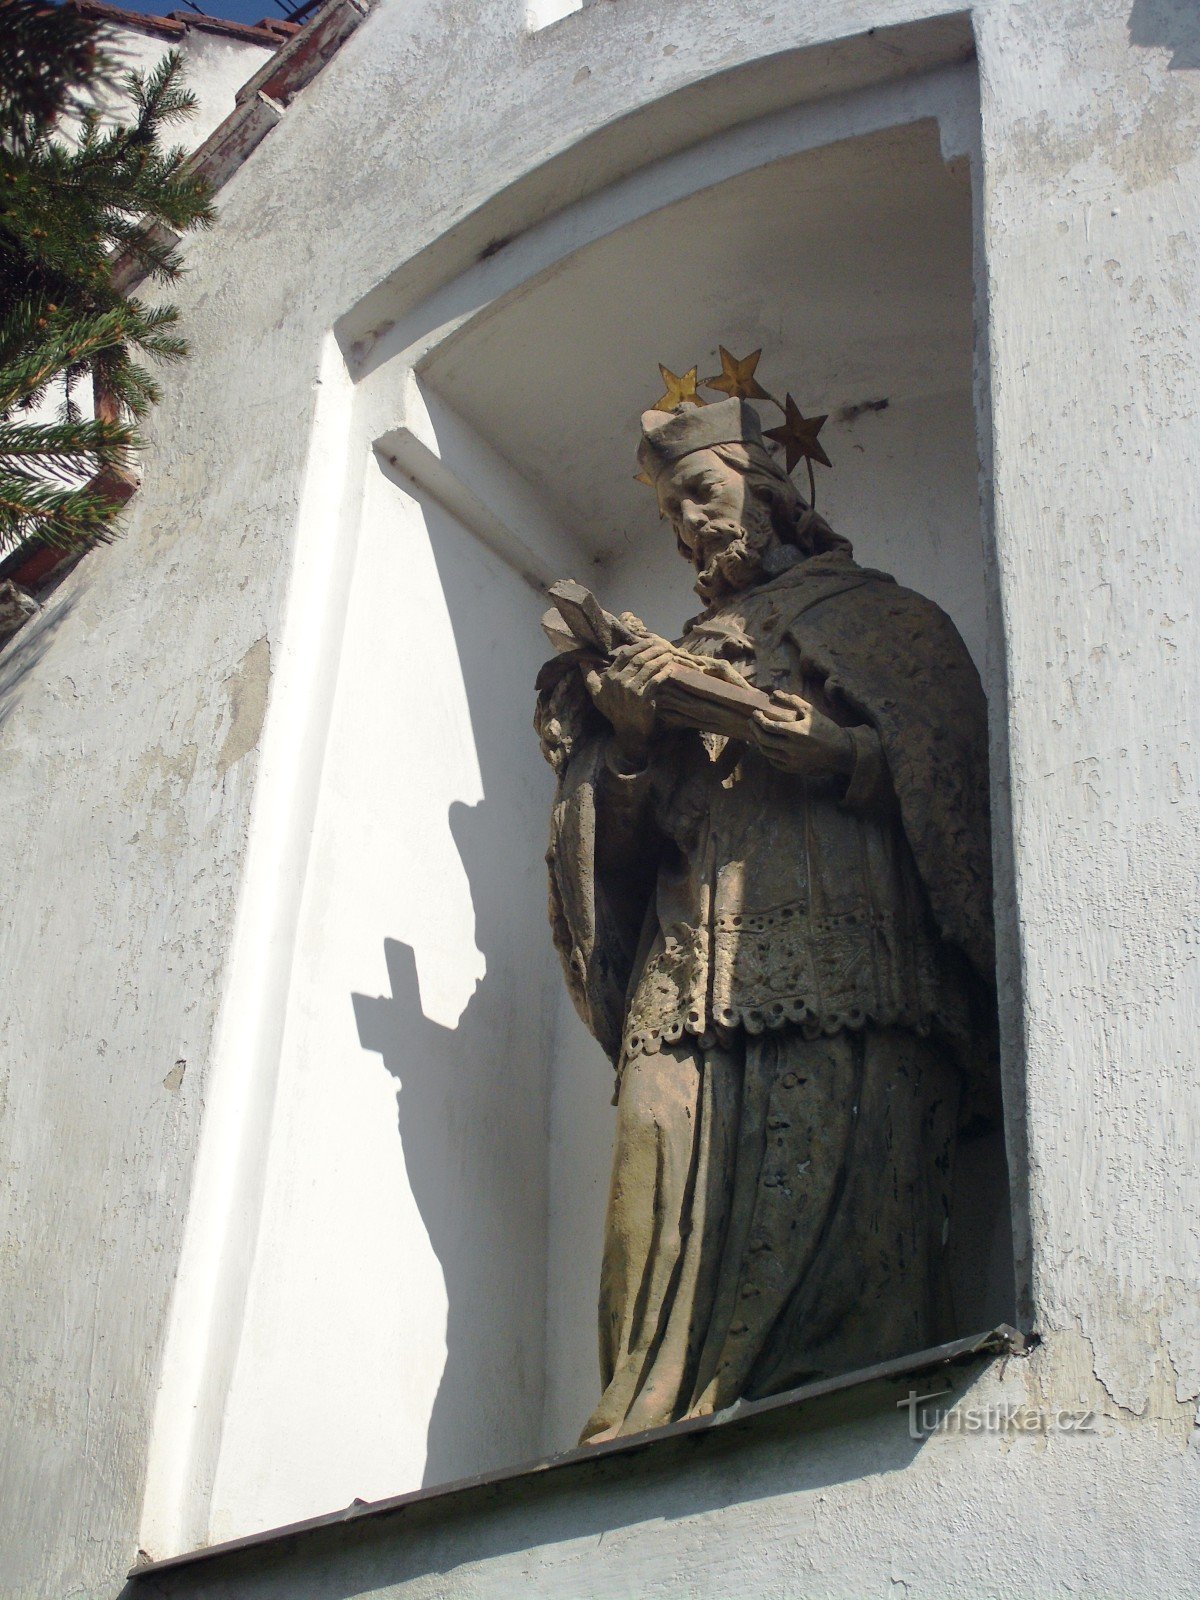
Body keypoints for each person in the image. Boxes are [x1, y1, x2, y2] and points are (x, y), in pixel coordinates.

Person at [535, 398, 997, 1444]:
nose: (689, 524)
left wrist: (839, 754)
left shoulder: (887, 620)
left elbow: (949, 779)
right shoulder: (675, 647)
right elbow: (621, 844)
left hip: (848, 947)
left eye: (702, 492)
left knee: (845, 1167)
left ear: (771, 488)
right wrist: (636, 740)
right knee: (658, 1129)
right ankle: (650, 1413)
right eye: (669, 513)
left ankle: (838, 1401)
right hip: (690, 949)